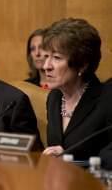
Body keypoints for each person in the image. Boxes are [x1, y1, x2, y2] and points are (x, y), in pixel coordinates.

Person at [42, 18, 112, 160]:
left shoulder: (106, 99)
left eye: (56, 57)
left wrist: (69, 157)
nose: (46, 66)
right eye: (46, 57)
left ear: (82, 65)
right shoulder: (54, 98)